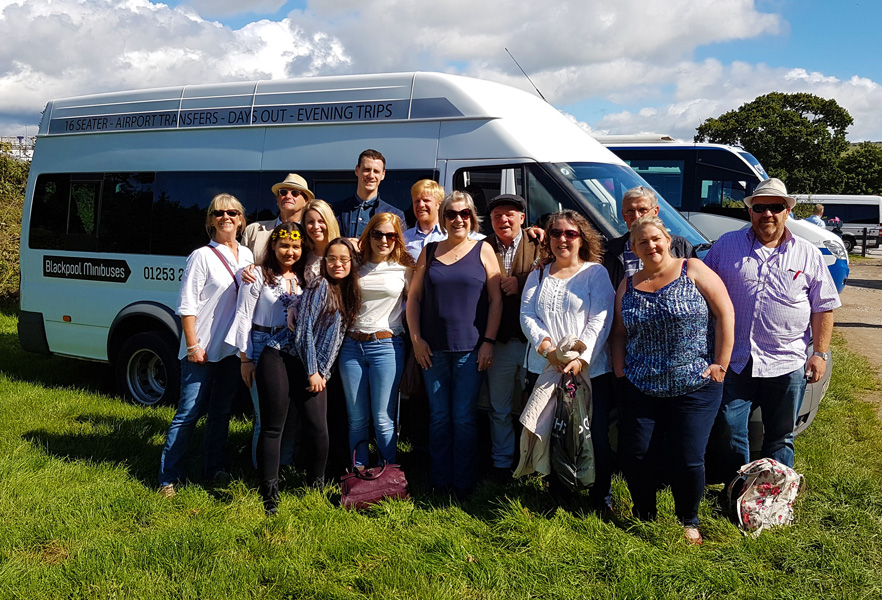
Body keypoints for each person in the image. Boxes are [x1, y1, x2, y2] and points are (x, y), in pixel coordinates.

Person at [704, 177, 840, 487]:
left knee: (780, 435)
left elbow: (823, 307)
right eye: (760, 207)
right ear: (750, 211)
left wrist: (818, 353)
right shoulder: (725, 246)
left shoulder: (808, 253)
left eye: (775, 207)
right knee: (728, 427)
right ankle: (737, 490)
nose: (768, 214)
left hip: (787, 360)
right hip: (737, 359)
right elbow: (703, 289)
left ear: (787, 211)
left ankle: (773, 493)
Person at [610, 214, 734, 544]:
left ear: (667, 239)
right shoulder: (628, 284)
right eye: (641, 242)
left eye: (655, 239)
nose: (650, 245)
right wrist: (621, 374)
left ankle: (688, 519)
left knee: (688, 456)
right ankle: (644, 515)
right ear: (633, 248)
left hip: (694, 384)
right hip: (640, 385)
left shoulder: (691, 269)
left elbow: (724, 313)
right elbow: (618, 334)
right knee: (637, 455)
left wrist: (720, 364)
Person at [517, 210, 616, 512]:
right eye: (557, 233)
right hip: (546, 367)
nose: (563, 239)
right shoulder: (539, 274)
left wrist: (580, 359)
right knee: (554, 432)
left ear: (581, 238)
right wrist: (546, 348)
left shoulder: (595, 273)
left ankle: (601, 497)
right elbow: (527, 314)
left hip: (590, 372)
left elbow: (600, 318)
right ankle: (559, 492)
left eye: (570, 233)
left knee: (592, 435)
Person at [406, 191, 502, 498]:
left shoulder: (484, 250)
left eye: (464, 214)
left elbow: (497, 300)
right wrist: (417, 339)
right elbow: (414, 298)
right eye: (451, 214)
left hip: (470, 351)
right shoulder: (430, 251)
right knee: (439, 418)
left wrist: (488, 342)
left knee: (463, 418)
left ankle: (463, 483)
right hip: (432, 351)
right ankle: (439, 480)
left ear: (471, 217)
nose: (458, 219)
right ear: (443, 218)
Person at [256, 237, 361, 515]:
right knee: (273, 427)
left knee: (318, 429)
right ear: (324, 263)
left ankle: (316, 486)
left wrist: (320, 371)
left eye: (344, 259)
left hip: (313, 368)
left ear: (352, 263)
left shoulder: (348, 291)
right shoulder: (320, 285)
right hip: (281, 358)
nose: (338, 264)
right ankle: (269, 494)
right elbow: (303, 332)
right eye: (332, 259)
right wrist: (314, 371)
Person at [158, 194, 254, 498]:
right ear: (211, 220)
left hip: (230, 349)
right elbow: (187, 304)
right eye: (219, 213)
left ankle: (214, 468)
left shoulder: (249, 255)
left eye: (232, 212)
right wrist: (192, 344)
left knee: (221, 412)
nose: (226, 217)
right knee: (187, 413)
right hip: (201, 348)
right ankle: (167, 477)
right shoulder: (201, 255)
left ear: (240, 219)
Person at [228, 222, 306, 470]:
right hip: (262, 345)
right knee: (266, 416)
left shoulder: (303, 277)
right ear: (273, 245)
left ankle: (283, 466)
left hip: (294, 349)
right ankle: (261, 471)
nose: (289, 252)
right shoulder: (257, 275)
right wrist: (245, 358)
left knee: (291, 413)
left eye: (295, 246)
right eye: (284, 245)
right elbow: (243, 317)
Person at [339, 213, 415, 468]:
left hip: (387, 346)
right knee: (357, 418)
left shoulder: (406, 267)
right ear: (368, 235)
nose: (384, 240)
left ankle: (388, 474)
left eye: (390, 235)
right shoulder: (354, 264)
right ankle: (358, 471)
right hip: (351, 345)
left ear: (397, 239)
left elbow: (417, 305)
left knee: (383, 417)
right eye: (377, 234)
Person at [483, 194, 541, 478]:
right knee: (499, 408)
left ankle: (534, 464)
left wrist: (519, 282)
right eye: (497, 216)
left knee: (535, 408)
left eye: (510, 214)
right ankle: (501, 463)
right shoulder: (482, 246)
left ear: (522, 218)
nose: (503, 220)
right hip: (501, 343)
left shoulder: (540, 243)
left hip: (533, 343)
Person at [602, 186, 695, 289]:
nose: (637, 216)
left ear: (655, 211)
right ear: (623, 215)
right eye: (630, 211)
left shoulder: (680, 247)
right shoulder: (610, 251)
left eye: (643, 210)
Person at [332, 149, 405, 239]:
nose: (371, 176)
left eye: (376, 171)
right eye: (367, 170)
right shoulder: (335, 211)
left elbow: (398, 249)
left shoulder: (395, 215)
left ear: (383, 174)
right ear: (357, 170)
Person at [242, 173, 314, 264]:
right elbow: (241, 266)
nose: (288, 196)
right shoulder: (253, 230)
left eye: (295, 193)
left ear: (305, 201)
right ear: (277, 199)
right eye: (283, 192)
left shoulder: (311, 233)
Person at [404, 179, 484, 260]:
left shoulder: (454, 232)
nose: (421, 205)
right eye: (417, 201)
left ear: (439, 205)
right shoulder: (404, 238)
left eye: (426, 200)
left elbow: (479, 242)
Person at [303, 199, 342, 284]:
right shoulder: (303, 254)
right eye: (310, 222)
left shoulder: (344, 251)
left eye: (321, 221)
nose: (316, 226)